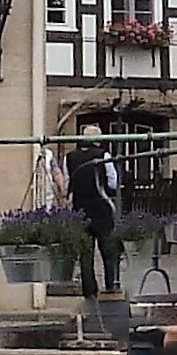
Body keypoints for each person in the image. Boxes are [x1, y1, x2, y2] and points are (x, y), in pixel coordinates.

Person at [67, 117, 125, 301]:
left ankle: (90, 293)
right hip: (101, 209)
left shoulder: (69, 158)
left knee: (85, 255)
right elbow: (113, 181)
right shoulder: (103, 156)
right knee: (109, 251)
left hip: (79, 210)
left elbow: (67, 185)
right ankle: (111, 289)